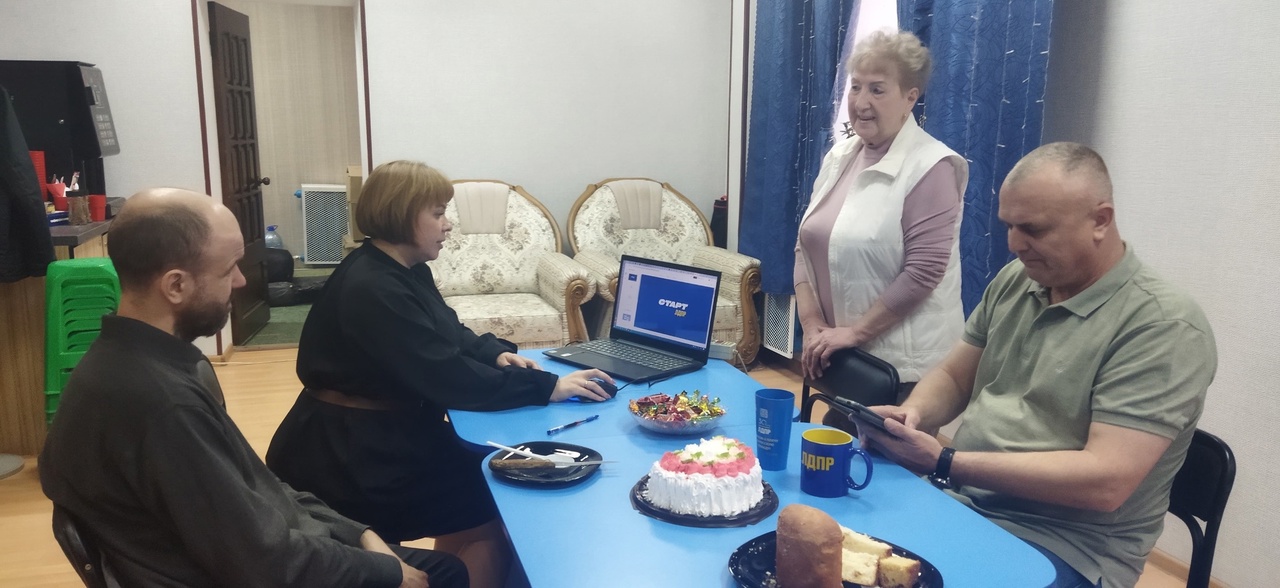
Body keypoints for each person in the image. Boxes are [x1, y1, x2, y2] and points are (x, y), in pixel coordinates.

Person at [39, 188, 467, 588]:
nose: (242, 282)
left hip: (233, 560)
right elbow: (264, 560)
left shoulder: (127, 363)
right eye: (229, 269)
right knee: (444, 573)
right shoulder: (161, 404)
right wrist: (385, 571)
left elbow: (261, 487)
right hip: (234, 574)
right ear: (175, 285)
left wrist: (358, 533)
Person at [861, 143, 1217, 588]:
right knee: (822, 546)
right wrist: (912, 416)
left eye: (1033, 229)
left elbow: (1105, 482)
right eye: (1009, 226)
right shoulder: (1019, 280)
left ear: (1100, 221)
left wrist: (946, 461)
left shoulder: (1164, 327)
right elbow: (953, 376)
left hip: (1063, 546)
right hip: (963, 502)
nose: (1014, 245)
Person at [265, 160, 613, 588]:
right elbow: (446, 376)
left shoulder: (404, 269)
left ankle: (450, 575)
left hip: (380, 433)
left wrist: (494, 355)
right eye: (438, 213)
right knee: (493, 496)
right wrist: (549, 386)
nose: (447, 225)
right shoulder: (374, 288)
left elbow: (447, 331)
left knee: (478, 492)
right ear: (401, 215)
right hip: (350, 456)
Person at [794, 30, 968, 412]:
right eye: (856, 87)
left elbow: (923, 272)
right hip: (846, 357)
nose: (861, 102)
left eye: (877, 89)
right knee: (836, 445)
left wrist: (854, 333)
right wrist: (811, 324)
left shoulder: (932, 166)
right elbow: (805, 245)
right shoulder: (840, 156)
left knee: (879, 452)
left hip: (904, 372)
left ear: (910, 97)